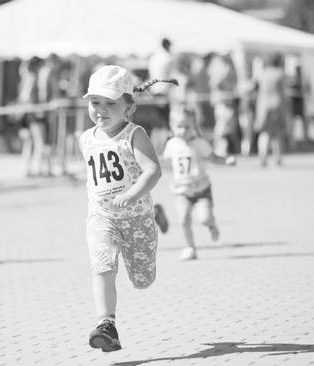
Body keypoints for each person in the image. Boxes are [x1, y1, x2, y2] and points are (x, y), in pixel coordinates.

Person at [80, 65, 174, 352]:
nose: (101, 110)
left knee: (143, 280)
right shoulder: (86, 139)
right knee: (102, 264)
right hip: (103, 217)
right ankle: (106, 324)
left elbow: (153, 171)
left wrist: (134, 195)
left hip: (137, 217)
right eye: (95, 102)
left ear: (129, 107)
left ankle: (155, 212)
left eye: (111, 104)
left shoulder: (134, 134)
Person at [162, 106, 235, 261]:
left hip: (201, 189)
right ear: (172, 126)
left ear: (194, 126)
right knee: (183, 219)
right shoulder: (171, 145)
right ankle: (190, 247)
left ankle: (211, 225)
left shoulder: (200, 143)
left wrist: (226, 160)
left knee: (204, 218)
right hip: (182, 191)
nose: (183, 130)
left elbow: (213, 158)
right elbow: (167, 163)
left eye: (187, 126)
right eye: (179, 127)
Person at [254, 54, 288, 167]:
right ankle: (277, 157)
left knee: (264, 132)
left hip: (263, 106)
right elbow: (282, 93)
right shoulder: (280, 74)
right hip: (276, 104)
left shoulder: (263, 73)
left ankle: (263, 158)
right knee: (276, 133)